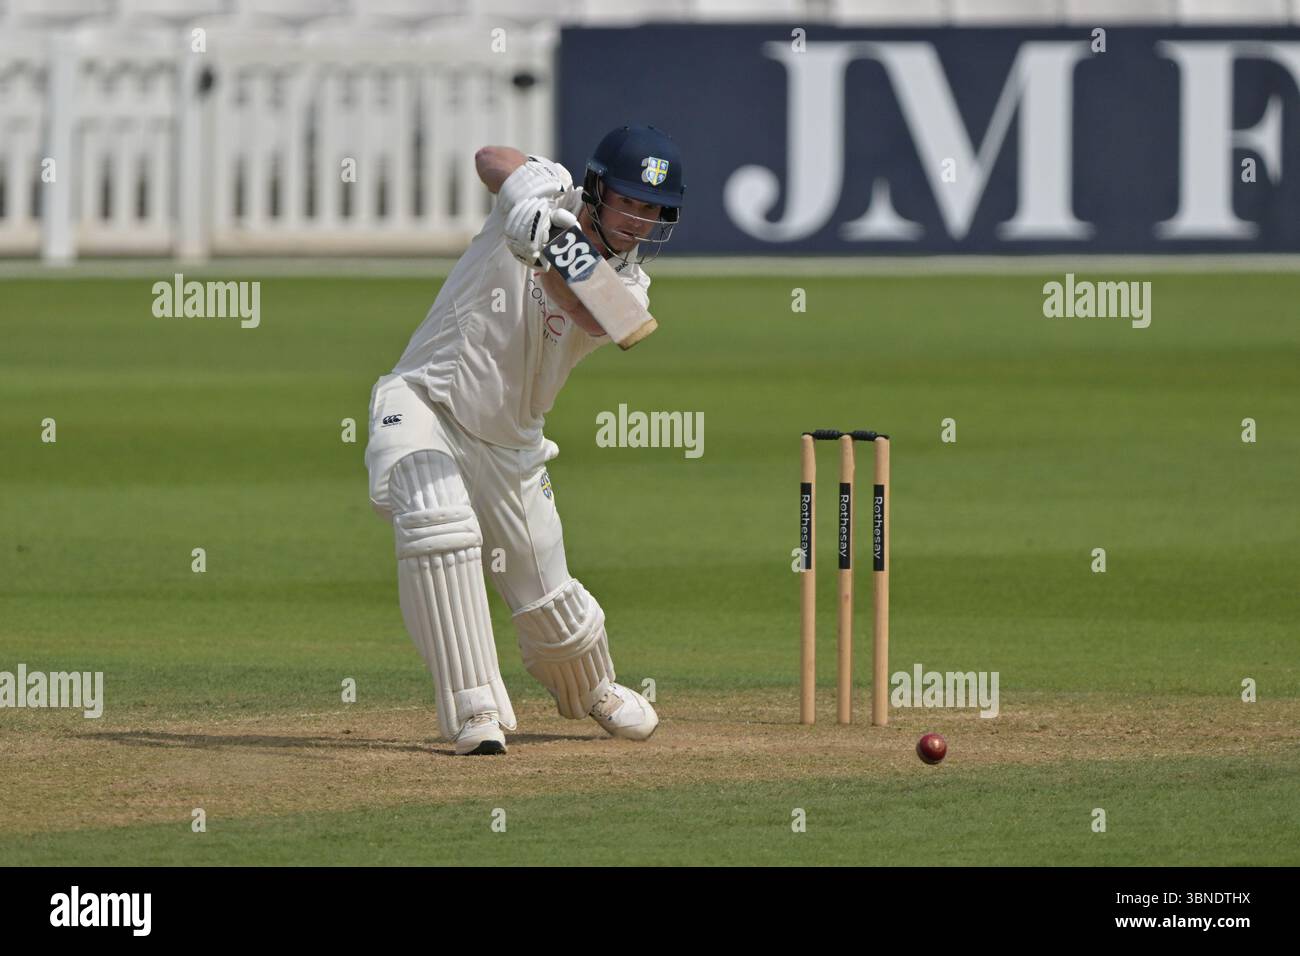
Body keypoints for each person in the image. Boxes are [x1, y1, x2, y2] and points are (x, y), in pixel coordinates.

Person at [363, 125, 685, 755]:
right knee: (438, 525)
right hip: (425, 400)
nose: (640, 221)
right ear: (595, 189)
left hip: (512, 448)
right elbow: (491, 158)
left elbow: (597, 315)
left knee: (552, 610)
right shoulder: (552, 193)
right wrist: (528, 207)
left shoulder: (631, 287)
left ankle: (594, 688)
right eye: (628, 202)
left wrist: (548, 252)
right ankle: (474, 712)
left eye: (652, 210)